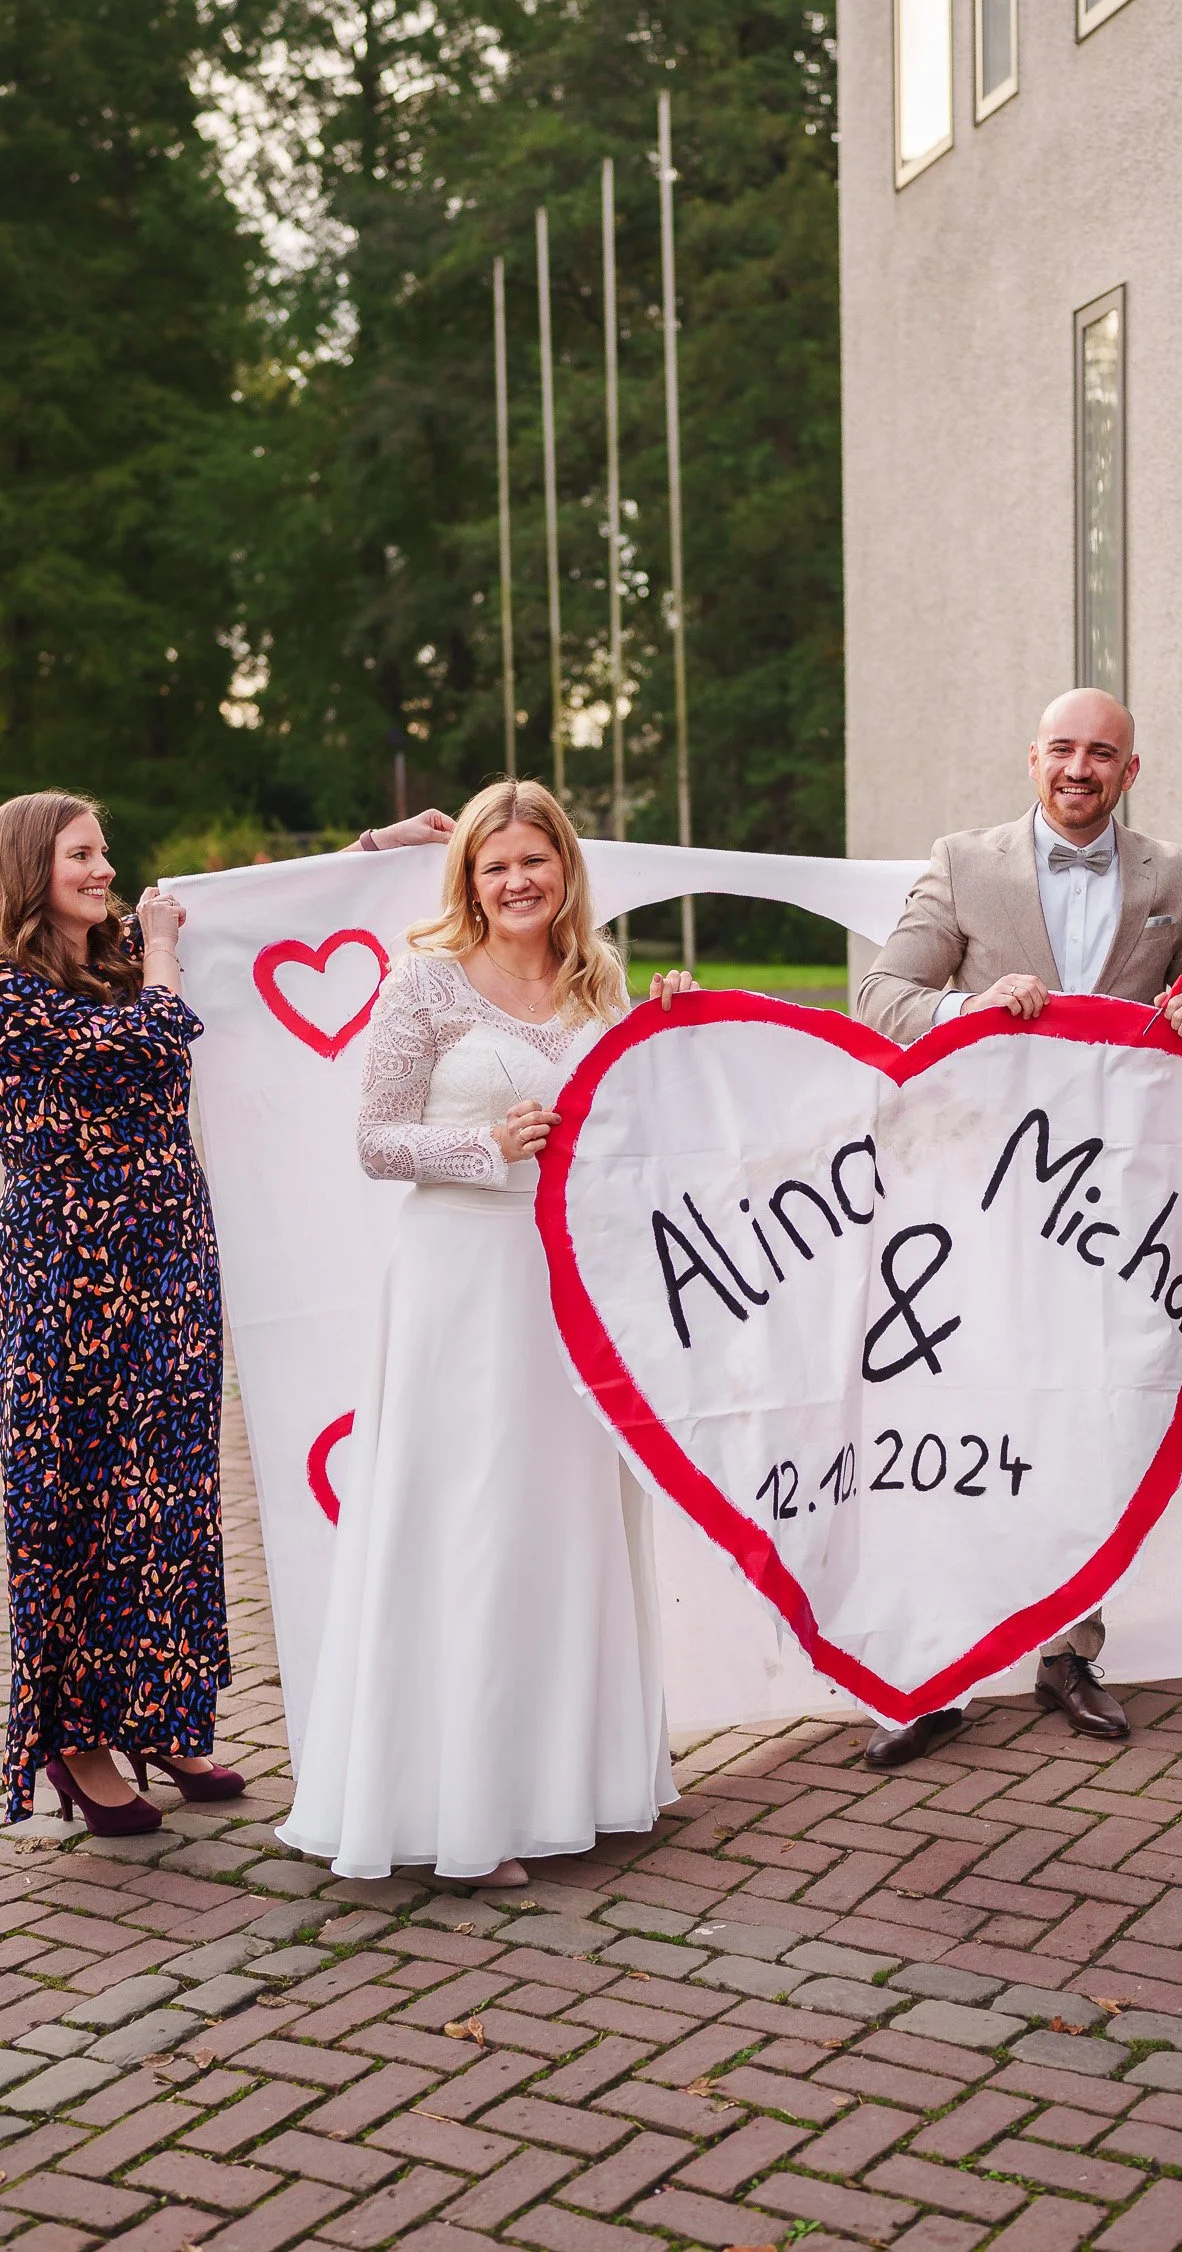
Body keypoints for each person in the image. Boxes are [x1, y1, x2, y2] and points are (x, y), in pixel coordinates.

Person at [0, 791, 453, 1833]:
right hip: (69, 1283)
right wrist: (160, 946)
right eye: (81, 853)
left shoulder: (120, 959)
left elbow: (257, 931)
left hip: (168, 1264)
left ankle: (156, 1711)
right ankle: (75, 1742)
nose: (103, 868)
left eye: (106, 850)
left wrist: (374, 849)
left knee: (167, 1495)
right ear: (34, 868)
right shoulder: (13, 992)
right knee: (77, 1500)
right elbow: (148, 1047)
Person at [281, 780, 692, 1887]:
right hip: (460, 1277)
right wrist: (486, 1149)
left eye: (534, 862)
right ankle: (465, 1810)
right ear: (467, 878)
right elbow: (374, 1140)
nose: (516, 882)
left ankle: (577, 1781)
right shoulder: (424, 981)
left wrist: (664, 1033)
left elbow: (635, 1129)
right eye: (493, 865)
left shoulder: (596, 981)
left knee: (562, 1519)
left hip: (569, 1281)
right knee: (469, 1522)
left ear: (565, 869)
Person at [855, 688, 1182, 1765]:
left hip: (1103, 1209)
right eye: (1062, 750)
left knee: (1086, 1418)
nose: (1079, 768)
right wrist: (970, 1009)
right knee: (958, 1414)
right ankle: (936, 1666)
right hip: (976, 1197)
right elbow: (880, 994)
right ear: (1030, 757)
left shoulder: (1173, 877)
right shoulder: (962, 860)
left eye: (1102, 754)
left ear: (1131, 770)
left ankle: (1068, 1651)